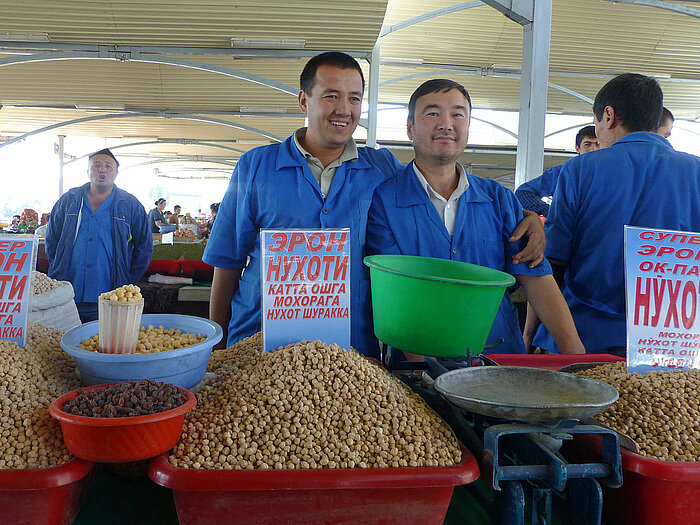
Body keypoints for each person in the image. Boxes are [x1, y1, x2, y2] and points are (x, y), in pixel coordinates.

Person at [203, 52, 546, 357]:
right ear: (304, 101)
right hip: (259, 342)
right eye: (331, 96)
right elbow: (227, 262)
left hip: (350, 352)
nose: (344, 109)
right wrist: (216, 349)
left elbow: (434, 184)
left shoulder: (381, 169)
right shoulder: (256, 166)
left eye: (354, 98)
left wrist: (527, 215)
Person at [366, 79, 584, 356]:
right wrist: (422, 377)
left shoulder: (499, 199)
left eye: (458, 114)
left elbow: (537, 279)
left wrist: (578, 358)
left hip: (499, 364)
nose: (446, 123)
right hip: (418, 368)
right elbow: (396, 294)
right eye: (432, 113)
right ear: (410, 128)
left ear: (468, 126)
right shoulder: (384, 202)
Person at [532, 73, 700, 355]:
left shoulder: (580, 170)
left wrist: (530, 333)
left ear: (608, 116)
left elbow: (554, 259)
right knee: (664, 402)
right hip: (673, 342)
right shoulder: (696, 172)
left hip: (582, 336)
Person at [46, 148, 152, 322]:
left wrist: (128, 280)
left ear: (116, 172)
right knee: (60, 342)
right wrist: (59, 266)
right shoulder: (69, 200)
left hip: (111, 294)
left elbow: (144, 246)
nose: (102, 170)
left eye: (108, 166)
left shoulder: (130, 204)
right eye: (96, 166)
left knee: (101, 344)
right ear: (88, 171)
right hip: (67, 292)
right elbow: (52, 239)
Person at [515, 126, 600, 217]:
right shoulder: (562, 173)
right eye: (587, 144)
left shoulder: (614, 174)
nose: (593, 149)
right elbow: (523, 192)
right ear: (577, 148)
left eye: (598, 144)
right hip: (568, 229)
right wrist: (550, 212)